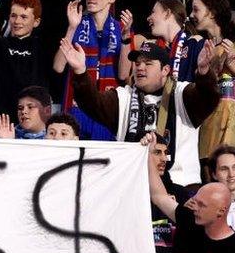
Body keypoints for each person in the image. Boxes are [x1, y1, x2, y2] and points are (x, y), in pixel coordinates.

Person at [63, 39, 219, 186]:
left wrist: (204, 72)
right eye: (137, 63)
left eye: (148, 63)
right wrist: (80, 71)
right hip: (134, 185)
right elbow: (92, 102)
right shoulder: (123, 97)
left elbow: (208, 96)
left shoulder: (182, 93)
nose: (140, 67)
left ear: (165, 70)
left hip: (180, 185)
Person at [188, 0, 235, 158]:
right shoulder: (201, 48)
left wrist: (231, 63)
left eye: (196, 9)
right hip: (209, 136)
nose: (191, 15)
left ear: (212, 13)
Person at [53, 0, 123, 141]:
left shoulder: (121, 30)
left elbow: (124, 75)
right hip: (77, 109)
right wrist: (71, 27)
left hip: (106, 109)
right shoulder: (76, 24)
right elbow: (58, 66)